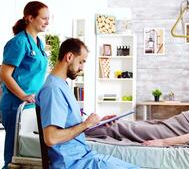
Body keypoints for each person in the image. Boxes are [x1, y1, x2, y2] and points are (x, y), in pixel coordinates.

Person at [36, 38, 139, 169]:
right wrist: (86, 123)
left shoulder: (62, 85)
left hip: (84, 156)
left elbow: (70, 127)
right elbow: (51, 138)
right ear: (69, 57)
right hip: (73, 163)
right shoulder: (53, 89)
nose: (82, 68)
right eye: (81, 62)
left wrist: (96, 124)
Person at [85, 82, 189, 147]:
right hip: (165, 125)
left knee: (118, 127)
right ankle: (80, 129)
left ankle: (75, 133)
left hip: (168, 132)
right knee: (118, 125)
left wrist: (162, 142)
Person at [0, 1, 49, 168]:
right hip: (17, 105)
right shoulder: (18, 42)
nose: (47, 22)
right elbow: (5, 74)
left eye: (48, 18)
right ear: (30, 18)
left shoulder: (38, 43)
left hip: (31, 105)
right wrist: (23, 96)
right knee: (13, 155)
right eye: (43, 18)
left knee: (25, 153)